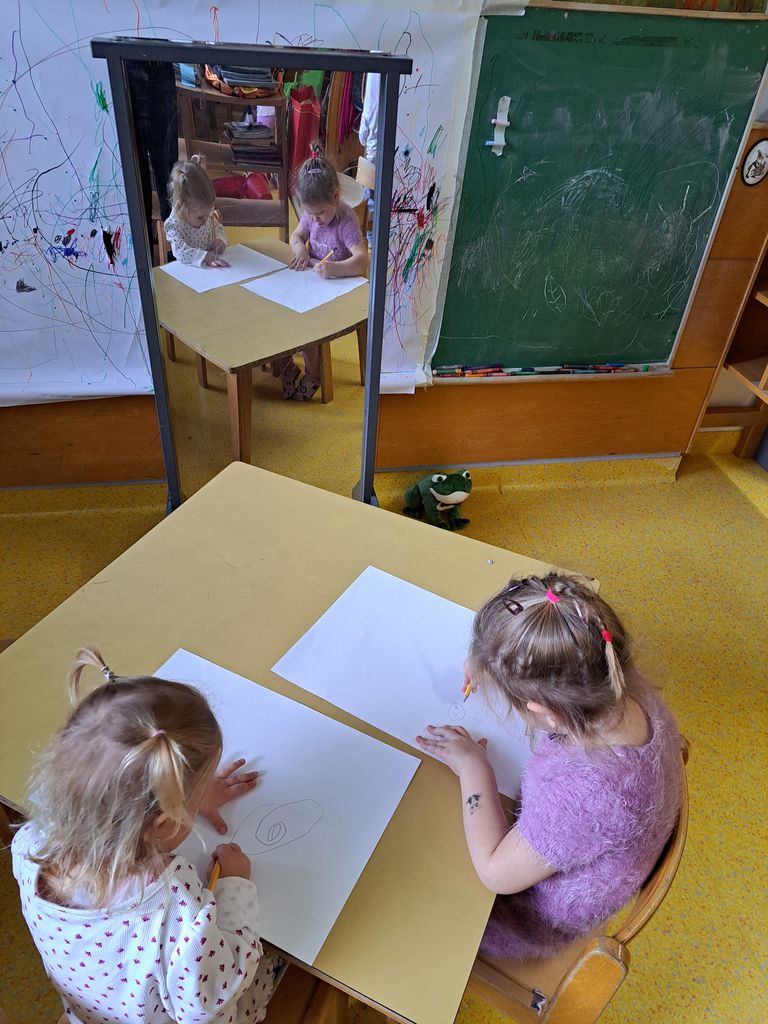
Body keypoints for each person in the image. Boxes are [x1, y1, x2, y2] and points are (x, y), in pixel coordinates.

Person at [416, 573, 683, 960]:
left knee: (406, 863)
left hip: (522, 921)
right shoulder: (621, 686)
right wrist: (490, 660)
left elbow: (495, 873)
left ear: (547, 713)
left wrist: (473, 766)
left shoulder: (586, 797)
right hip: (571, 850)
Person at [11, 647, 281, 1023]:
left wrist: (187, 796)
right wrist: (234, 888)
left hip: (90, 1016)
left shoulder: (29, 845)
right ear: (165, 820)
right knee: (277, 954)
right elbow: (211, 1001)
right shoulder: (174, 908)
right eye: (191, 798)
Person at [275, 142, 368, 401]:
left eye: (319, 214)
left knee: (307, 324)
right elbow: (296, 236)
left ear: (336, 197)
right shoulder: (312, 214)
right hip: (314, 283)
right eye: (310, 214)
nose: (314, 219)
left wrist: (336, 269)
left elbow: (362, 260)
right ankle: (286, 367)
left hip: (339, 290)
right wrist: (301, 252)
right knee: (280, 312)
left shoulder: (345, 221)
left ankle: (313, 374)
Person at [164, 156, 230, 268]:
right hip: (189, 271)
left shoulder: (204, 214)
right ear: (183, 208)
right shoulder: (175, 225)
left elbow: (217, 226)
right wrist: (204, 256)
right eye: (200, 217)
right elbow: (180, 251)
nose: (206, 221)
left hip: (212, 268)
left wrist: (220, 239)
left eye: (208, 214)